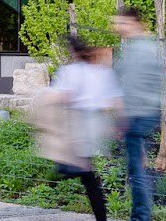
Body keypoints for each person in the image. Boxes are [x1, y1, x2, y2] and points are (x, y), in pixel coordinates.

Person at [39, 35, 120, 221]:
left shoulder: (70, 71)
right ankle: (101, 216)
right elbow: (113, 101)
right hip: (96, 122)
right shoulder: (102, 71)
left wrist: (45, 98)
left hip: (78, 122)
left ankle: (69, 169)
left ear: (72, 52)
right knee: (89, 178)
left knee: (83, 172)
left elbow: (63, 96)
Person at [112, 7, 166, 221]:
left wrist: (122, 118)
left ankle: (140, 217)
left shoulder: (140, 50)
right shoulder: (146, 46)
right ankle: (141, 212)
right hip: (144, 113)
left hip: (138, 115)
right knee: (137, 168)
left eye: (122, 23)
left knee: (136, 172)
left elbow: (134, 88)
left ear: (135, 23)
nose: (117, 27)